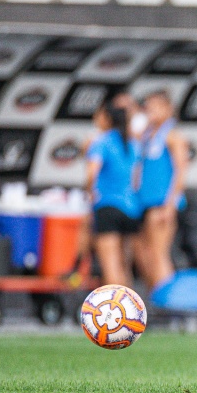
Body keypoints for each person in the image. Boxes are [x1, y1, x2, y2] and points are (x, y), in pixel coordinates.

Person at [136, 90, 189, 290]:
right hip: (145, 202)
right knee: (144, 253)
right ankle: (156, 294)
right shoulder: (148, 135)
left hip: (162, 203)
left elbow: (181, 170)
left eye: (156, 106)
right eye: (148, 106)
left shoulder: (173, 136)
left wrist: (170, 204)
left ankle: (168, 302)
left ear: (168, 109)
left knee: (158, 253)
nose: (150, 111)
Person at [86, 104, 141, 286]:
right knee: (124, 267)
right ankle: (130, 312)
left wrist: (90, 193)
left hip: (107, 206)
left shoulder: (102, 141)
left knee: (110, 267)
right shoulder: (132, 143)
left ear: (107, 119)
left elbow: (92, 173)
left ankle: (116, 312)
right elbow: (136, 181)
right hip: (131, 209)